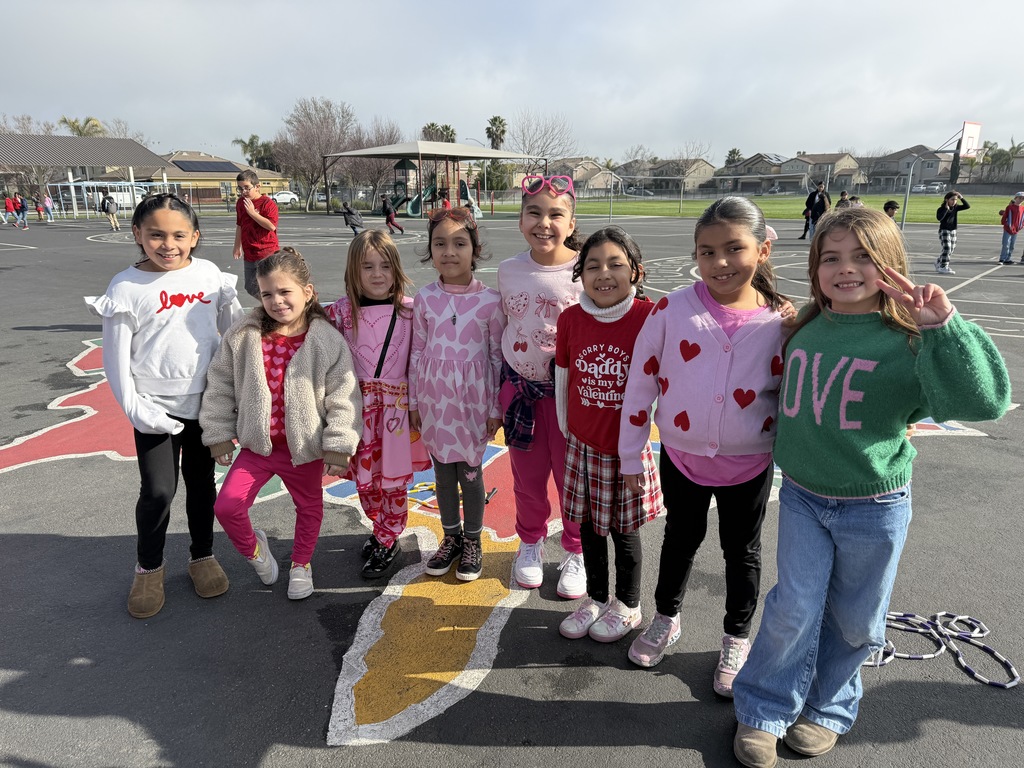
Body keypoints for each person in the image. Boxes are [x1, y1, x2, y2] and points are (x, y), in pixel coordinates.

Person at [731, 207, 1010, 768]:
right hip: (806, 497)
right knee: (794, 607)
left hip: (875, 505)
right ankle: (763, 707)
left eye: (862, 257)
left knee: (858, 618)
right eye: (830, 258)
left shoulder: (910, 341)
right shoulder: (806, 326)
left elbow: (985, 403)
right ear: (815, 269)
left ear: (890, 264)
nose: (846, 269)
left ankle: (828, 708)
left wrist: (942, 326)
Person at [620, 197, 790, 696]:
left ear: (762, 250)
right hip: (681, 457)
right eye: (706, 251)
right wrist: (633, 452)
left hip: (750, 462)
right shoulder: (673, 309)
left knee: (743, 553)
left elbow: (795, 396)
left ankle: (736, 636)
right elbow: (640, 384)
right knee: (679, 539)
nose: (719, 262)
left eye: (734, 249)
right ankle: (666, 617)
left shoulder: (781, 321)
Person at [83, 193, 243, 619]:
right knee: (158, 491)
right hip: (154, 408)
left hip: (206, 404)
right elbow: (115, 361)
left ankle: (202, 555)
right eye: (155, 235)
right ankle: (149, 567)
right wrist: (138, 410)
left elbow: (232, 337)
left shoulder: (210, 276)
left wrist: (237, 396)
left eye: (178, 235)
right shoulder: (126, 287)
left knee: (201, 484)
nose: (167, 244)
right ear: (138, 234)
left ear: (194, 236)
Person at [200, 248, 362, 600]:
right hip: (259, 447)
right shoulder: (244, 335)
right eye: (267, 293)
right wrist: (217, 433)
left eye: (285, 291)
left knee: (308, 507)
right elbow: (221, 383)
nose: (276, 301)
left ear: (307, 291)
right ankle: (256, 553)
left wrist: (338, 443)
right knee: (227, 505)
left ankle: (301, 563)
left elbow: (343, 395)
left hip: (304, 447)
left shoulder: (326, 340)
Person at [555, 227, 663, 643]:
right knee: (586, 528)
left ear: (636, 271)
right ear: (580, 273)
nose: (604, 273)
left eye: (616, 264)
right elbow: (564, 376)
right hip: (582, 445)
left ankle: (628, 606)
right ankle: (596, 599)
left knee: (624, 531)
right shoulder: (570, 319)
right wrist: (569, 432)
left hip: (627, 450)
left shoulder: (650, 316)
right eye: (593, 265)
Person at [498, 175, 586, 598]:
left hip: (573, 399)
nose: (544, 222)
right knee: (527, 478)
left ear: (571, 223)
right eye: (534, 212)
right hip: (522, 392)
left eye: (556, 214)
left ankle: (576, 549)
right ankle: (530, 543)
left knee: (573, 479)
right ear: (520, 220)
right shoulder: (508, 271)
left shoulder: (588, 269)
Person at [326, 230, 430, 578]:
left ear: (396, 269)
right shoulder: (340, 312)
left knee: (394, 481)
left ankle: (388, 537)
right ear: (353, 270)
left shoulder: (411, 311)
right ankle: (380, 527)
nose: (377, 274)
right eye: (367, 266)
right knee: (365, 481)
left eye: (385, 266)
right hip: (357, 411)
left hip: (396, 414)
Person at [409, 208, 505, 581]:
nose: (449, 251)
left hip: (472, 403)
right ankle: (449, 538)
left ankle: (472, 540)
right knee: (442, 473)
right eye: (440, 243)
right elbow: (417, 352)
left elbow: (497, 357)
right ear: (430, 250)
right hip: (434, 401)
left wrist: (495, 406)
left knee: (469, 471)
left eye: (459, 243)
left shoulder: (491, 301)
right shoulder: (425, 298)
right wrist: (415, 402)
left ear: (475, 249)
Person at [232, 170, 280, 299]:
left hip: (266, 252)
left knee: (269, 286)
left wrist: (253, 213)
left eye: (247, 188)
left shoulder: (267, 204)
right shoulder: (240, 203)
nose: (243, 192)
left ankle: (271, 310)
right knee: (250, 286)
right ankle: (268, 307)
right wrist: (237, 246)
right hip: (250, 252)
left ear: (257, 186)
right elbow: (240, 225)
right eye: (240, 188)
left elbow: (271, 226)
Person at [935, 190, 969, 275]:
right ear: (947, 200)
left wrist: (961, 197)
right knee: (947, 248)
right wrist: (946, 210)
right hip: (944, 230)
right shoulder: (941, 209)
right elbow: (939, 218)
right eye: (952, 199)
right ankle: (943, 266)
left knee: (951, 249)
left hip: (953, 230)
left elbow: (967, 206)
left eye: (955, 200)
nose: (954, 202)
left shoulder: (956, 208)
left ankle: (939, 261)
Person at [998, 192, 1024, 264]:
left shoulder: (1022, 208)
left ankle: (1008, 258)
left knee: (1012, 245)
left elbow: (1022, 218)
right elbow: (1005, 217)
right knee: (1006, 244)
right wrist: (1006, 224)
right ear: (1015, 198)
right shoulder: (1010, 207)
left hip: (1016, 229)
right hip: (1008, 228)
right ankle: (1002, 259)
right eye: (1019, 198)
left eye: (1023, 198)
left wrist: (1021, 225)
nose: (1021, 200)